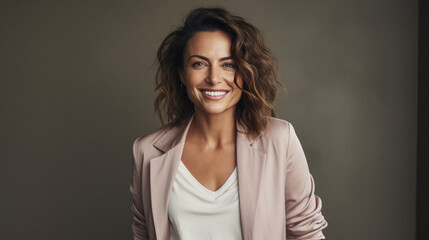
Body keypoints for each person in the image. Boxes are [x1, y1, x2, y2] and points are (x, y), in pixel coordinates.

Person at [130, 7, 327, 240]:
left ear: (245, 73)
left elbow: (308, 233)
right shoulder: (148, 152)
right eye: (199, 64)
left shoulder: (279, 140)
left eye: (228, 64)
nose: (214, 78)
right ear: (182, 74)